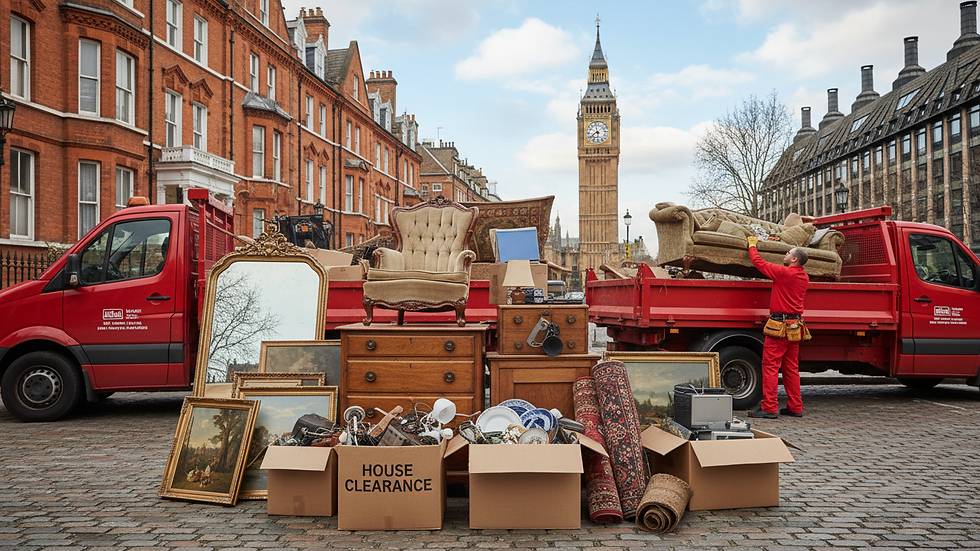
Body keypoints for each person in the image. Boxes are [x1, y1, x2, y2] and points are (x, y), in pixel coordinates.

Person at [746, 236, 809, 419]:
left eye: (788, 253)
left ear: (794, 259)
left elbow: (759, 263)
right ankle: (795, 407)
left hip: (779, 326)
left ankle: (769, 407)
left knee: (771, 366)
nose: (785, 254)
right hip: (795, 326)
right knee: (791, 368)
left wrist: (752, 245)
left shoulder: (784, 273)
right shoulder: (803, 276)